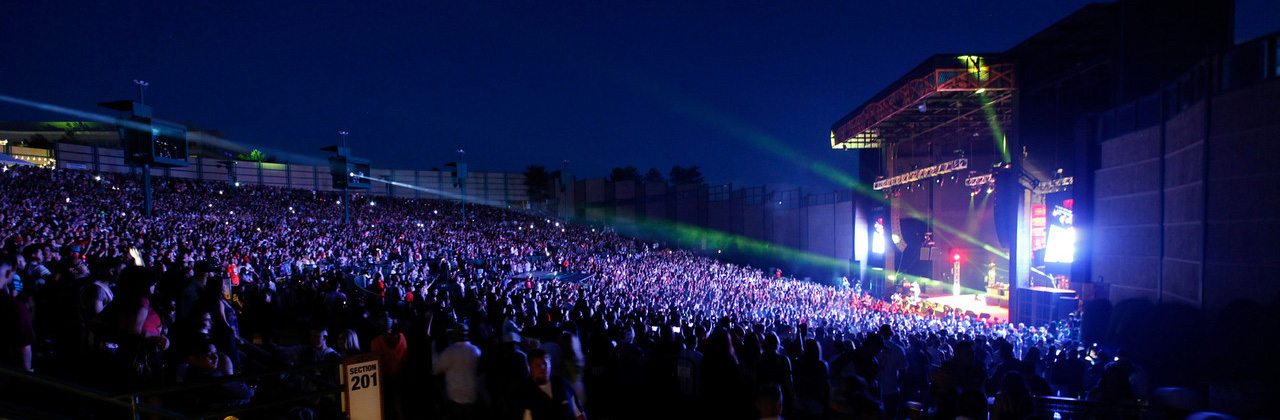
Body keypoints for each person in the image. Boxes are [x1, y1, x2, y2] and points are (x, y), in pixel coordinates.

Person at [516, 348, 587, 420]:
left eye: (545, 364)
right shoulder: (523, 393)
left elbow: (579, 414)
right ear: (529, 367)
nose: (542, 368)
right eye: (536, 365)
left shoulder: (563, 385)